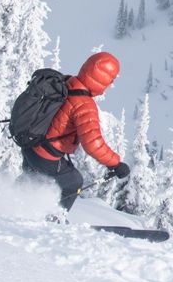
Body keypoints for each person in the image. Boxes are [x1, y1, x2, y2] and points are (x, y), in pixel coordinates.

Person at [22, 51, 130, 216]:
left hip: (30, 145)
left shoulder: (67, 82)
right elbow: (92, 144)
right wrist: (115, 164)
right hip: (46, 155)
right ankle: (54, 220)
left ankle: (11, 203)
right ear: (103, 80)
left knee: (31, 181)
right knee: (73, 183)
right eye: (111, 81)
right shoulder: (84, 105)